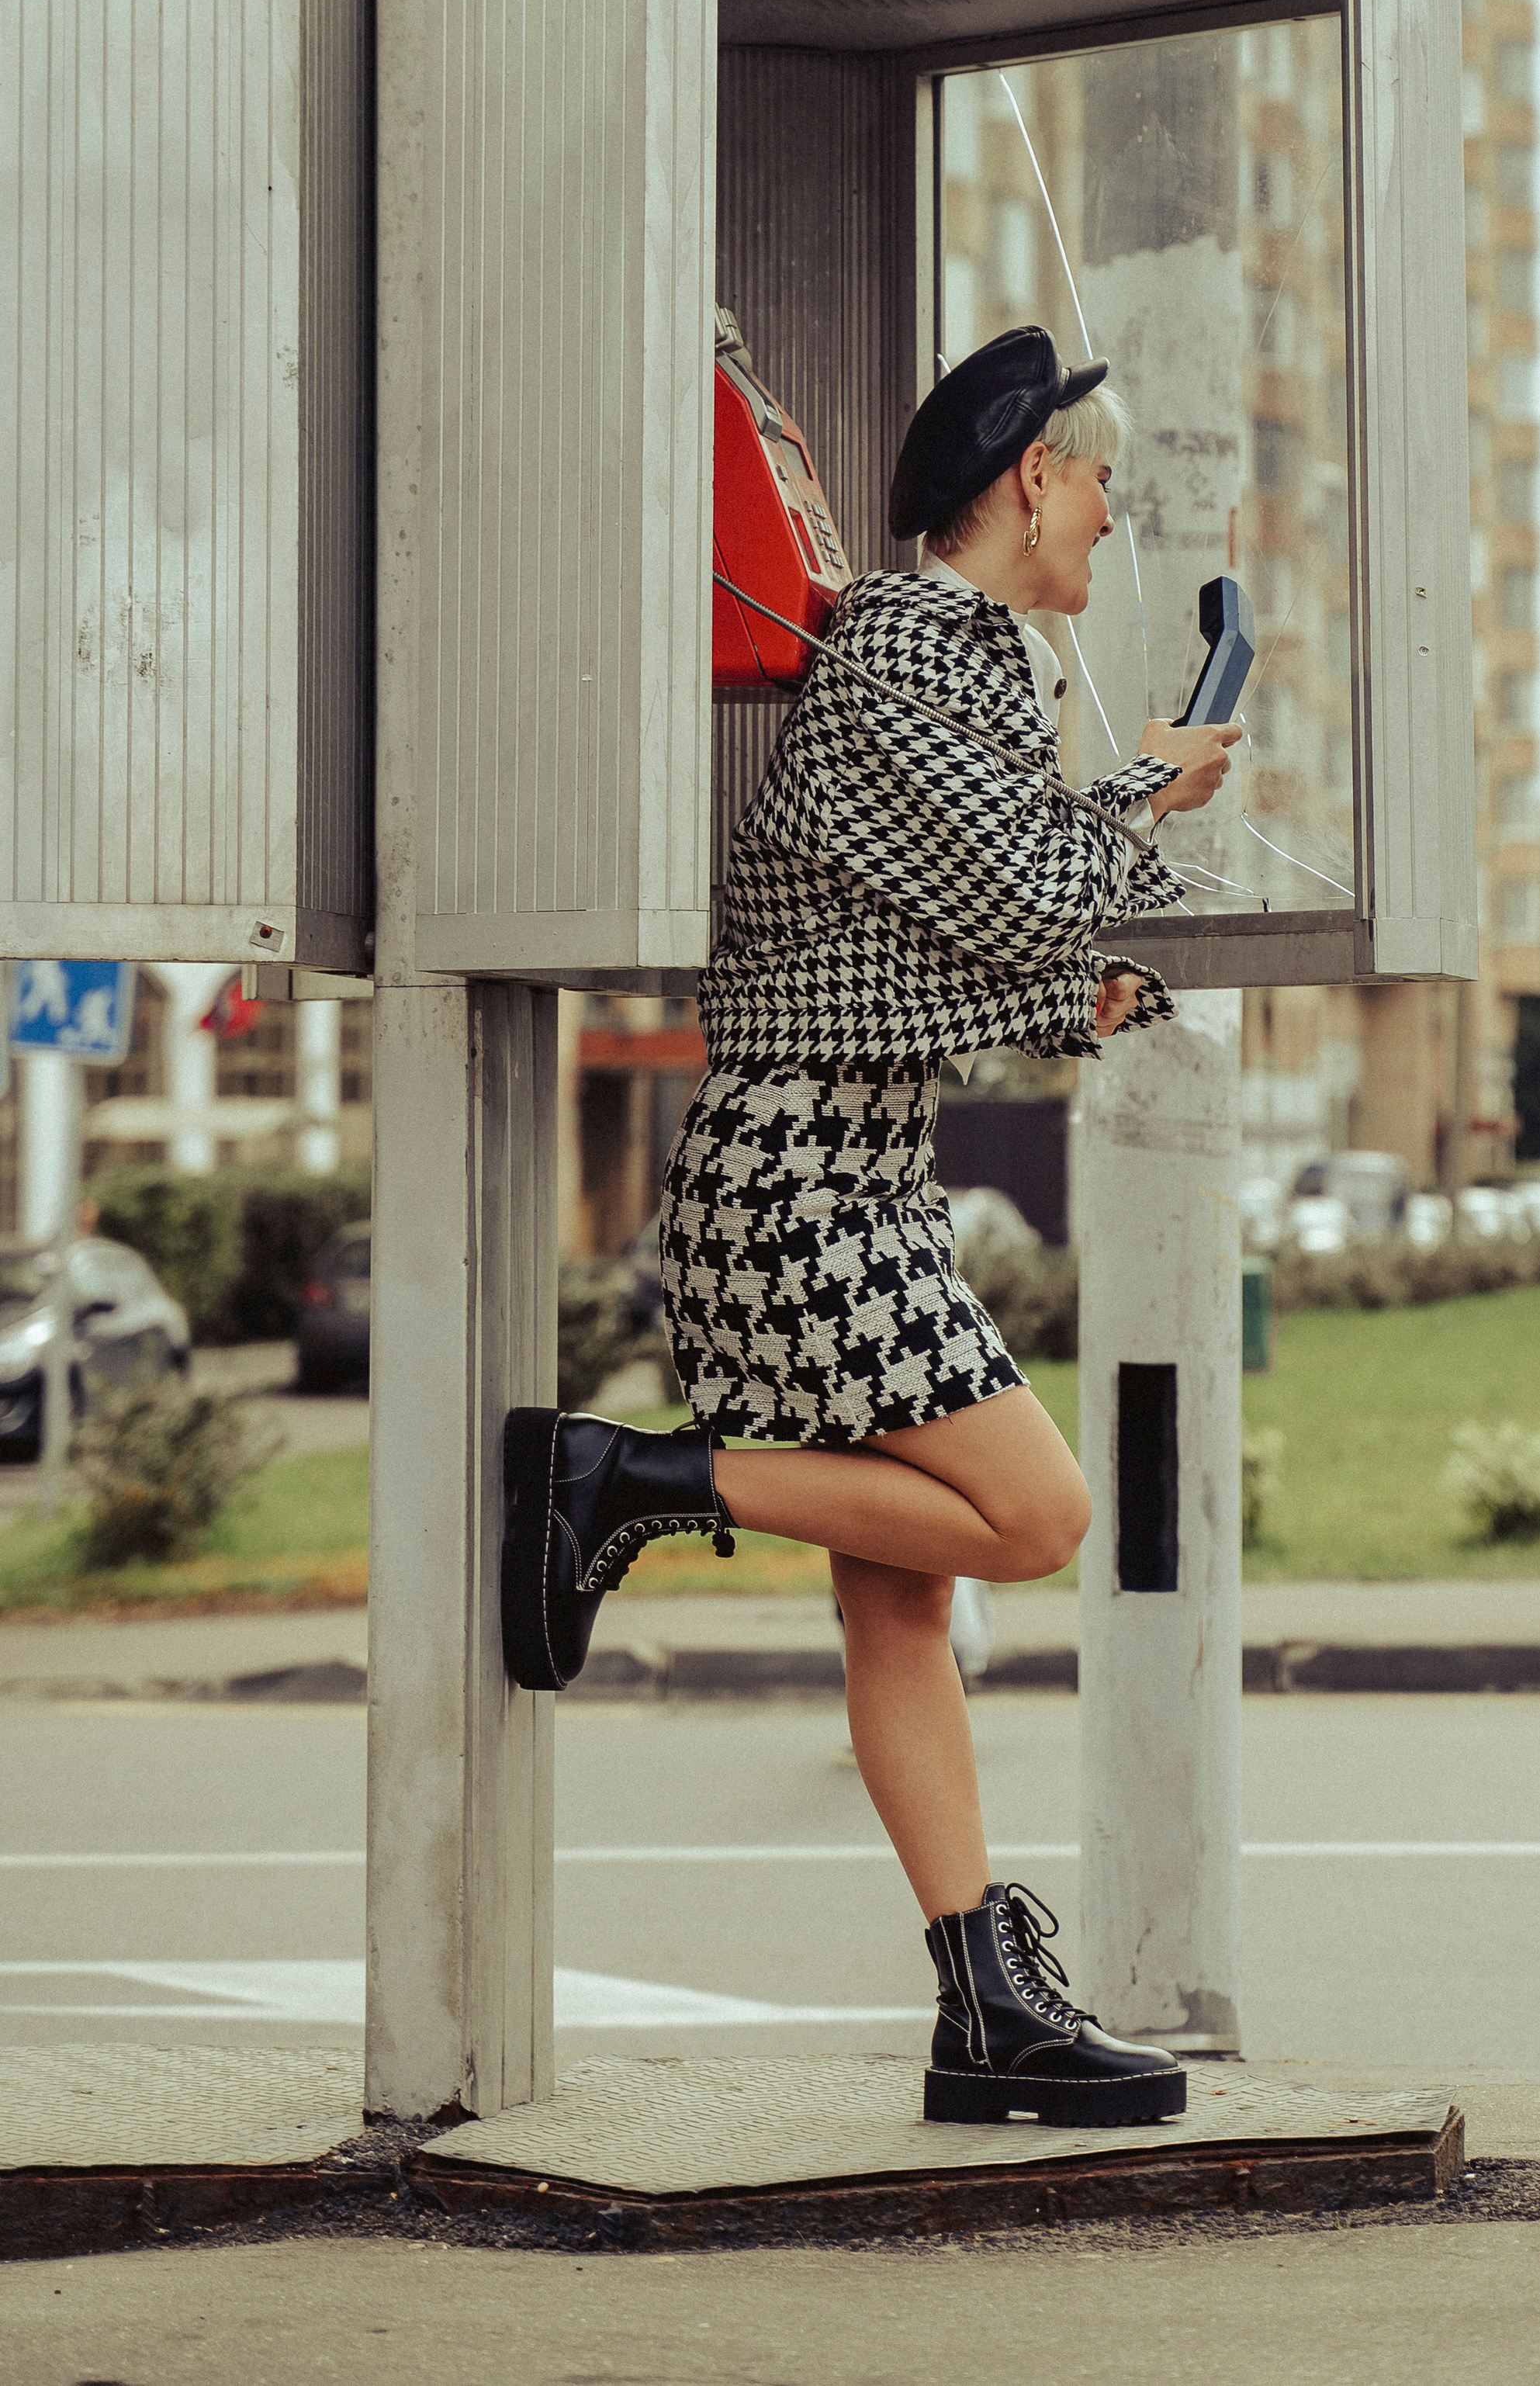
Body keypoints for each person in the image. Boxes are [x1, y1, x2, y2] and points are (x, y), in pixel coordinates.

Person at [500, 325, 1241, 2128]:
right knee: (1036, 1515)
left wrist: (1067, 997)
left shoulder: (963, 660)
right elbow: (1032, 881)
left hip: (842, 1165)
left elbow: (906, 948)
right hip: (798, 1188)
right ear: (1025, 480)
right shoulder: (911, 647)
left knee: (900, 1605)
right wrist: (1150, 780)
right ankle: (636, 1482)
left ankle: (979, 2003)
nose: (1109, 516)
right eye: (1097, 480)